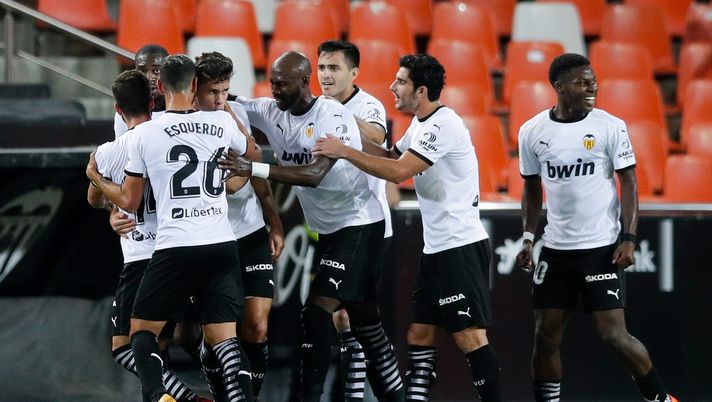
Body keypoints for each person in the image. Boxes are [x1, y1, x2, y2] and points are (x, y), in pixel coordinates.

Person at [312, 53, 504, 402]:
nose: (392, 87)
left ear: (422, 90)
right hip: (436, 250)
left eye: (400, 82)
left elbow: (400, 173)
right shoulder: (420, 122)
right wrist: (346, 129)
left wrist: (344, 152)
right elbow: (390, 157)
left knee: (470, 338)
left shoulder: (443, 125)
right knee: (418, 334)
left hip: (459, 247)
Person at [219, 51, 404, 402]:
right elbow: (229, 98)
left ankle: (310, 397)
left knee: (317, 313)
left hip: (360, 225)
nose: (275, 90)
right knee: (367, 326)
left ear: (305, 83)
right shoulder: (270, 109)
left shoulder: (332, 115)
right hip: (330, 231)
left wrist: (252, 168)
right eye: (272, 82)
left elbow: (314, 175)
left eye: (283, 84)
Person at [87, 54, 258, 402]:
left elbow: (130, 201)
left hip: (174, 245)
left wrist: (94, 177)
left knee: (141, 334)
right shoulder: (221, 124)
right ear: (195, 85)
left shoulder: (145, 135)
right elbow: (251, 154)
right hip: (222, 241)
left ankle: (161, 396)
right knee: (224, 340)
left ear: (161, 88)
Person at [514, 53, 677, 402]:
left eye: (593, 81)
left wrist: (629, 237)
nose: (592, 87)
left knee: (614, 336)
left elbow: (629, 183)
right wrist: (528, 238)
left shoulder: (609, 125)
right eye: (582, 82)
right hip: (555, 251)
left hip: (599, 249)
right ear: (559, 87)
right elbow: (530, 188)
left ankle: (661, 399)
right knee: (545, 337)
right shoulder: (532, 131)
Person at [87, 69, 202, 402]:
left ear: (118, 110)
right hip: (179, 248)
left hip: (141, 256)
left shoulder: (111, 150)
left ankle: (189, 399)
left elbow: (95, 199)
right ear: (154, 99)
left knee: (126, 347)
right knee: (161, 341)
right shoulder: (172, 134)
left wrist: (96, 177)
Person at [193, 51, 284, 401]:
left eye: (225, 91)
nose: (219, 100)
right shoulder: (184, 123)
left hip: (249, 231)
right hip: (211, 239)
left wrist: (273, 219)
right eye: (213, 92)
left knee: (257, 325)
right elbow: (232, 182)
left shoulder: (235, 113)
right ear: (195, 87)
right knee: (218, 337)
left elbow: (254, 170)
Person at [316, 39, 393, 401]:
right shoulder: (317, 106)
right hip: (334, 227)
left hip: (368, 225)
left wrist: (337, 113)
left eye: (334, 68)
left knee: (342, 316)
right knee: (358, 323)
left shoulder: (368, 105)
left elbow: (377, 139)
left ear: (354, 73)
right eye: (321, 68)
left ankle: (355, 397)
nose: (326, 76)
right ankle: (385, 394)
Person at [114, 44, 169, 138]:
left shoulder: (184, 111)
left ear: (168, 71)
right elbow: (122, 149)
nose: (149, 77)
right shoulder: (126, 112)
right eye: (142, 71)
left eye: (156, 71)